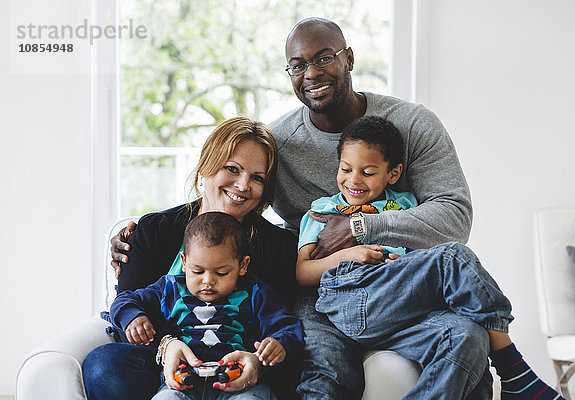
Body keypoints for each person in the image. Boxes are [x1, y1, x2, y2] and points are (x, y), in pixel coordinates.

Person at [112, 17, 484, 400]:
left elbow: (454, 216)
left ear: (349, 59)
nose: (311, 73)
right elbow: (230, 221)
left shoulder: (411, 125)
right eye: (297, 65)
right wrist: (129, 233)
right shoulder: (281, 147)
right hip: (324, 295)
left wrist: (358, 229)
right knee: (323, 372)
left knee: (469, 338)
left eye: (324, 58)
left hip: (404, 287)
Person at [296, 116, 565, 400]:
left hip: (404, 308)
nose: (354, 180)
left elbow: (428, 248)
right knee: (452, 257)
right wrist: (350, 253)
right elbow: (303, 272)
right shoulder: (322, 210)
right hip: (353, 298)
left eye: (368, 172)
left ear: (394, 174)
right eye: (346, 169)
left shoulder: (406, 205)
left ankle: (509, 373)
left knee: (468, 336)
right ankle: (514, 372)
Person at [83, 117, 300, 400]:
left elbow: (281, 327)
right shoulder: (153, 231)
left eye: (257, 178)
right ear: (206, 166)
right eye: (232, 169)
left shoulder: (278, 248)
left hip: (234, 370)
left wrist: (258, 363)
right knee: (102, 366)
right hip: (161, 364)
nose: (243, 185)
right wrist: (167, 346)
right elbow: (127, 312)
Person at [111, 211, 303, 400]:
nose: (208, 281)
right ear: (184, 262)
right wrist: (133, 316)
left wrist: (279, 344)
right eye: (198, 271)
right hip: (182, 382)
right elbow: (124, 299)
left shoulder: (255, 293)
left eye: (221, 273)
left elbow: (287, 327)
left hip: (239, 382)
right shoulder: (170, 288)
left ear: (242, 265)